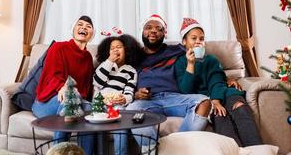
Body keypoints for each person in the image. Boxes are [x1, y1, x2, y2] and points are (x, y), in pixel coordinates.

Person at [126, 14, 212, 150]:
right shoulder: (133, 56)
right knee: (130, 111)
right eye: (149, 28)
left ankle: (176, 149)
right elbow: (121, 80)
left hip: (174, 99)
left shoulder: (176, 50)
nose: (153, 31)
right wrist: (136, 94)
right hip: (147, 102)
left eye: (158, 28)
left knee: (204, 102)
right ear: (142, 32)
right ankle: (151, 150)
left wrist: (225, 77)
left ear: (164, 34)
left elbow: (200, 55)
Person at [174, 18, 263, 147]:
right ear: (184, 41)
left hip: (224, 94)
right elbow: (186, 91)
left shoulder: (211, 60)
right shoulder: (180, 63)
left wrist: (216, 100)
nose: (198, 42)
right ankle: (234, 151)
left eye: (201, 38)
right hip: (206, 101)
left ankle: (258, 149)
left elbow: (217, 81)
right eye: (194, 38)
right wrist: (191, 64)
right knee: (220, 116)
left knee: (240, 107)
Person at [32, 15, 95, 154]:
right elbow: (52, 75)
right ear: (73, 30)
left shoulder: (88, 57)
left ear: (91, 35)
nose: (84, 27)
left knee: (90, 109)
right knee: (70, 101)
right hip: (45, 102)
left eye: (88, 26)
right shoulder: (58, 47)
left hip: (75, 99)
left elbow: (87, 87)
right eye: (80, 24)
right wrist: (63, 87)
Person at [93, 33, 143, 155]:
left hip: (117, 104)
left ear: (126, 50)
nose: (115, 49)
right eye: (112, 48)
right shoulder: (104, 66)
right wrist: (109, 61)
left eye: (119, 47)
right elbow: (97, 82)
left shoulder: (131, 71)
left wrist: (124, 98)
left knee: (121, 116)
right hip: (101, 102)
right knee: (98, 116)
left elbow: (130, 92)